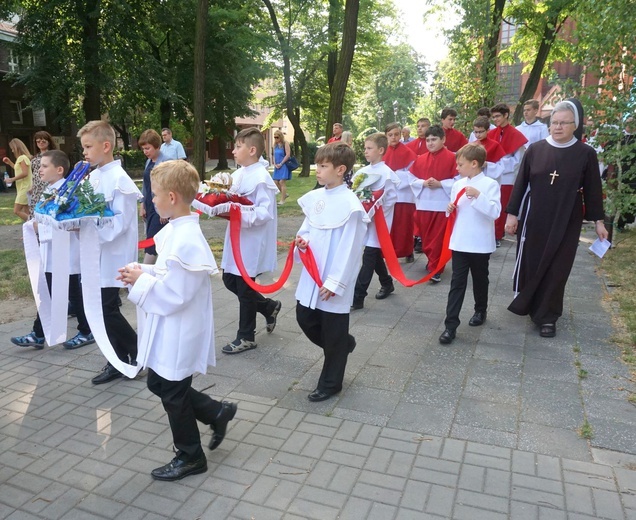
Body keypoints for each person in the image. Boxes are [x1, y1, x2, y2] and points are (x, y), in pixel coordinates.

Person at [118, 160, 236, 481]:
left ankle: (190, 455)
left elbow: (175, 294)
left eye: (154, 195)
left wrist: (142, 279)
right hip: (171, 326)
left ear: (171, 197)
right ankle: (216, 412)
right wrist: (143, 272)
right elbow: (169, 274)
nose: (150, 201)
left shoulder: (186, 239)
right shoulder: (176, 230)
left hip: (180, 329)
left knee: (171, 389)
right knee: (160, 382)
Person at [505, 100, 608, 338]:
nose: (558, 127)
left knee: (558, 266)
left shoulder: (585, 153)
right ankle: (532, 305)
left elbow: (593, 190)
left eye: (564, 123)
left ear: (575, 125)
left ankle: (548, 316)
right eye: (554, 123)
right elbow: (521, 183)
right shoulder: (536, 149)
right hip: (535, 215)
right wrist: (512, 215)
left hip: (567, 217)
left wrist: (599, 222)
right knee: (534, 261)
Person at [295, 142, 368, 401]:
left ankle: (330, 382)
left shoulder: (351, 206)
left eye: (323, 166)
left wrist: (336, 281)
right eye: (318, 165)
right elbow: (306, 229)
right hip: (312, 274)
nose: (318, 170)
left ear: (340, 169)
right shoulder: (316, 198)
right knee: (304, 317)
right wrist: (301, 241)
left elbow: (350, 249)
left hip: (333, 278)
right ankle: (343, 346)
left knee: (333, 329)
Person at [77, 121, 142, 384]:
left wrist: (91, 231)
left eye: (88, 146)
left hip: (113, 255)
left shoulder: (119, 180)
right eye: (83, 147)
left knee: (105, 308)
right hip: (96, 255)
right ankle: (118, 358)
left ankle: (136, 352)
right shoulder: (93, 177)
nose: (84, 152)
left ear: (106, 146)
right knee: (102, 307)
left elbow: (121, 223)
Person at [11, 150, 94, 350]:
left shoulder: (70, 192)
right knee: (46, 292)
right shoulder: (49, 191)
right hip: (50, 253)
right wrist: (33, 229)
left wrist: (39, 228)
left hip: (66, 255)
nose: (39, 169)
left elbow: (68, 222)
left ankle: (86, 331)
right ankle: (39, 334)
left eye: (44, 166)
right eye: (39, 166)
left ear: (59, 169)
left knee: (74, 293)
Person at [221, 127, 281, 354]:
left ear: (252, 150)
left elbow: (264, 213)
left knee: (245, 289)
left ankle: (246, 336)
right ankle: (268, 307)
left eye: (238, 146)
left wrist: (238, 214)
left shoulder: (261, 178)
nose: (234, 151)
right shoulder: (239, 174)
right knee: (229, 280)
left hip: (251, 241)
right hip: (237, 237)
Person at [439, 144, 501, 345]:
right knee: (457, 282)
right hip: (461, 241)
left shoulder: (490, 184)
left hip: (480, 242)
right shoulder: (458, 184)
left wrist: (478, 196)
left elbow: (495, 212)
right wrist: (449, 208)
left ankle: (480, 309)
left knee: (480, 279)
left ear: (474, 164)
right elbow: (454, 211)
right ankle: (450, 326)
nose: (457, 168)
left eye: (460, 164)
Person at [352, 133, 399, 309]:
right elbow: (355, 192)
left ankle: (358, 296)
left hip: (379, 222)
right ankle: (387, 283)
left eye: (369, 148)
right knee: (374, 254)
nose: (366, 151)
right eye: (365, 148)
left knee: (370, 255)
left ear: (380, 150)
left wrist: (376, 205)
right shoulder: (363, 172)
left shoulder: (387, 174)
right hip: (365, 220)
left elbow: (392, 198)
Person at [408, 125, 457, 283]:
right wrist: (423, 183)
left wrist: (441, 184)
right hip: (424, 205)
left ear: (443, 139)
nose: (430, 143)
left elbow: (459, 180)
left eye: (434, 139)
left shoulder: (452, 158)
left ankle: (436, 268)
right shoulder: (420, 159)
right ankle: (432, 261)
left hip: (442, 205)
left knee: (437, 238)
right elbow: (411, 179)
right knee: (427, 238)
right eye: (428, 140)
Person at [488, 103, 528, 246]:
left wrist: (499, 166)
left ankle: (498, 234)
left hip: (507, 176)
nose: (495, 120)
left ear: (506, 115)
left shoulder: (516, 135)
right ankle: (490, 233)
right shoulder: (491, 134)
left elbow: (517, 160)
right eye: (493, 117)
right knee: (491, 202)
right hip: (491, 173)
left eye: (498, 116)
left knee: (503, 203)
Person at [384, 122, 417, 262]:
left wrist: (395, 175)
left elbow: (412, 173)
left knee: (404, 225)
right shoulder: (382, 151)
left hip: (404, 195)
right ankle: (388, 251)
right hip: (388, 194)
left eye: (396, 134)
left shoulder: (408, 152)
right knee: (389, 224)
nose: (393, 138)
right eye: (390, 135)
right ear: (386, 136)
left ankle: (408, 251)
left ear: (401, 134)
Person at [139, 129, 167, 264]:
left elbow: (169, 187)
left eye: (147, 148)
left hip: (160, 207)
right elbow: (145, 185)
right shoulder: (148, 162)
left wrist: (165, 210)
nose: (145, 152)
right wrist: (142, 204)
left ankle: (144, 271)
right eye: (143, 149)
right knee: (156, 241)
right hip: (150, 206)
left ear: (157, 146)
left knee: (152, 241)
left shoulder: (166, 162)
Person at [2, 138, 33, 222]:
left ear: (16, 147)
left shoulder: (22, 158)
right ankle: (32, 231)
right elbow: (19, 170)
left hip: (24, 188)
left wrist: (12, 179)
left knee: (17, 210)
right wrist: (10, 163)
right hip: (23, 188)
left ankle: (34, 224)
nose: (12, 150)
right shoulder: (22, 158)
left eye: (12, 148)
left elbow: (25, 173)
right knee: (27, 211)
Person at [29, 131, 57, 218]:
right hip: (36, 187)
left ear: (48, 142)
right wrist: (32, 186)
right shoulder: (36, 156)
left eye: (43, 141)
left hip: (47, 185)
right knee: (34, 210)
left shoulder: (53, 155)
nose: (41, 143)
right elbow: (33, 172)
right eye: (38, 141)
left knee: (46, 207)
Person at [472, 116, 507, 182]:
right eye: (476, 132)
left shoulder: (495, 145)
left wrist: (487, 164)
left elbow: (501, 167)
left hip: (490, 179)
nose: (478, 135)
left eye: (481, 132)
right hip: (475, 178)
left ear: (488, 130)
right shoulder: (472, 145)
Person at [272, 130, 291, 205]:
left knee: (281, 182)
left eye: (277, 137)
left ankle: (282, 200)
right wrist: (274, 163)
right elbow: (273, 155)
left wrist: (281, 163)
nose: (276, 139)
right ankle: (284, 194)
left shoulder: (285, 143)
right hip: (277, 166)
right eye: (275, 137)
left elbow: (288, 154)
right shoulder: (275, 145)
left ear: (280, 137)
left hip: (284, 165)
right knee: (276, 182)